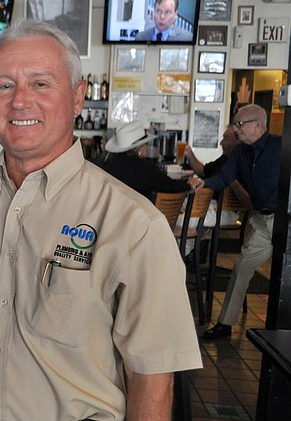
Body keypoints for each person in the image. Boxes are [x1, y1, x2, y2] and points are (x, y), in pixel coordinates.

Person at [0, 20, 202, 421]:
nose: (20, 100)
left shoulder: (132, 223)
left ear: (78, 97)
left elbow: (153, 376)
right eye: (4, 85)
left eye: (41, 83)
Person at [190, 104, 280, 339]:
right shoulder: (240, 152)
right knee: (241, 268)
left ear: (257, 124)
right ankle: (225, 323)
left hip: (284, 220)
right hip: (262, 221)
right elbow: (224, 177)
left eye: (239, 124)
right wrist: (204, 183)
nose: (236, 128)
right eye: (235, 124)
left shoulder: (279, 146)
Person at [177, 125, 251, 255]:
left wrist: (230, 180)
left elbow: (248, 202)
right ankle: (183, 254)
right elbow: (203, 171)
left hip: (226, 211)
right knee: (173, 208)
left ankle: (180, 255)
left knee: (183, 220)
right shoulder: (224, 159)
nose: (221, 142)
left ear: (238, 141)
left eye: (225, 138)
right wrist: (189, 154)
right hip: (207, 204)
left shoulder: (245, 164)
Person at [99, 120, 190, 200]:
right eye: (145, 144)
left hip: (112, 213)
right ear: (140, 149)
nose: (147, 147)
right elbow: (169, 186)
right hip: (139, 213)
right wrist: (188, 185)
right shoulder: (145, 168)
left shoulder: (108, 165)